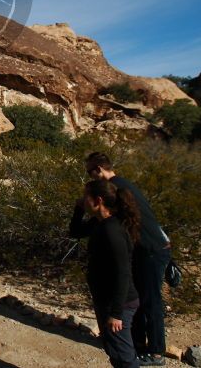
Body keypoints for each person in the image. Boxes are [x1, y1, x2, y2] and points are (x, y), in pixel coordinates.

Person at [85, 152, 171, 366]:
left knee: (151, 301)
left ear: (98, 169)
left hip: (151, 250)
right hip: (149, 248)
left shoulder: (116, 188)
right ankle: (137, 344)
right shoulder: (120, 185)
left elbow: (139, 220)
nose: (91, 177)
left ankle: (157, 351)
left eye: (90, 172)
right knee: (140, 298)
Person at [70, 179, 142, 368]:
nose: (82, 200)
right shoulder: (100, 222)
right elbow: (75, 231)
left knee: (123, 356)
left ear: (98, 200)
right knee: (115, 351)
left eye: (86, 197)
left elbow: (123, 273)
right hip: (107, 300)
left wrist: (116, 313)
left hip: (118, 304)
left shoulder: (112, 230)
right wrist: (78, 209)